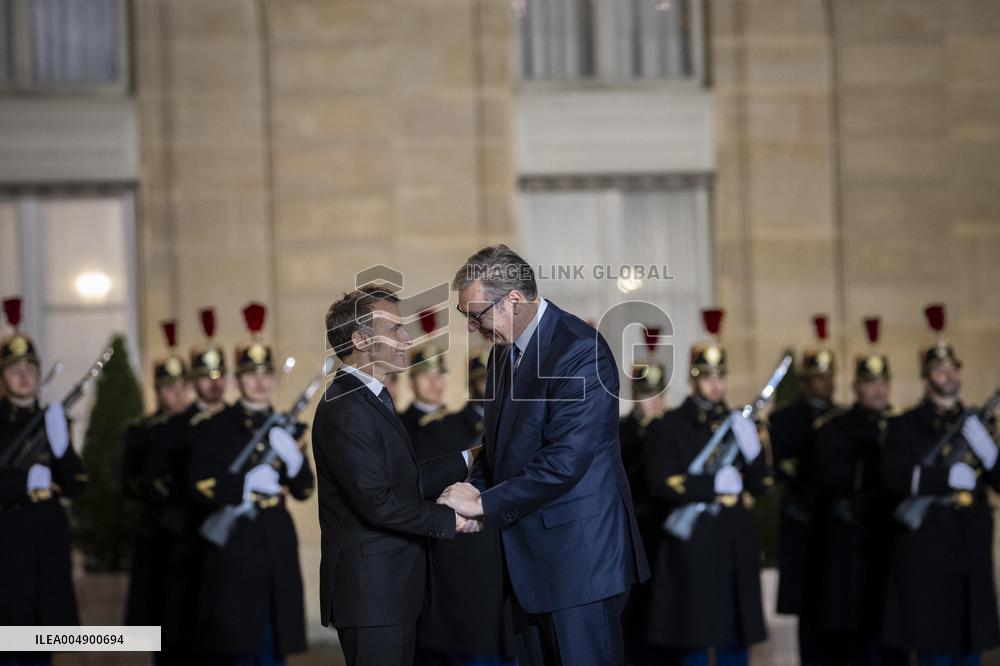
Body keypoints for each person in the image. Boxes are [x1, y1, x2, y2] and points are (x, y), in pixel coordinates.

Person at [439, 244, 649, 666]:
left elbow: (564, 462)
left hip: (580, 563)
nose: (471, 328)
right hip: (529, 561)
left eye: (475, 315)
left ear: (513, 300)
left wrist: (482, 504)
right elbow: (499, 446)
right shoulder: (503, 353)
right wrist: (469, 490)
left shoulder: (578, 350)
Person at [311, 286, 471, 666]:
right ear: (361, 339)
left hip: (388, 589)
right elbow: (377, 502)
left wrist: (471, 458)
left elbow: (404, 480)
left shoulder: (367, 397)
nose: (406, 339)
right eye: (396, 329)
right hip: (372, 593)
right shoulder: (347, 406)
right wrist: (453, 519)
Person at [187, 303, 314, 665]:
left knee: (275, 640)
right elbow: (198, 484)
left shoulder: (285, 426)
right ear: (237, 379)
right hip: (237, 544)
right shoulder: (215, 426)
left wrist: (293, 460)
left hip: (275, 536)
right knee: (239, 643)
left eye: (266, 373)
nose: (260, 381)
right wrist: (241, 485)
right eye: (250, 373)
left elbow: (304, 489)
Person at [643, 308, 768, 666]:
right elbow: (661, 482)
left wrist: (755, 450)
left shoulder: (739, 424)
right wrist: (712, 484)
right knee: (694, 644)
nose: (716, 384)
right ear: (693, 378)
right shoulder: (670, 427)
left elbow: (759, 486)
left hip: (734, 545)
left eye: (720, 376)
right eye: (707, 376)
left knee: (735, 644)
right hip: (693, 549)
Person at [881, 304, 1000, 665]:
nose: (947, 376)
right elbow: (893, 475)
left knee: (970, 650)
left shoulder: (979, 426)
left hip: (971, 552)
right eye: (939, 369)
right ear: (926, 375)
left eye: (951, 369)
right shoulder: (905, 426)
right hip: (929, 554)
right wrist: (943, 478)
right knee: (936, 651)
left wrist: (991, 455)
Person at [400, 344, 515, 666]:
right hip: (461, 545)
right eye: (426, 375)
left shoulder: (505, 423)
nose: (435, 383)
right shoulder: (439, 426)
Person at [0, 296, 86, 666]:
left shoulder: (52, 421)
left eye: (31, 369)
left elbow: (77, 484)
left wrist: (63, 447)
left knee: (40, 651)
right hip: (6, 545)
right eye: (15, 369)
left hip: (46, 544)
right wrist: (22, 484)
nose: (25, 377)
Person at [813, 317, 904, 665]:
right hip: (854, 552)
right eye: (870, 383)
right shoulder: (836, 429)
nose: (879, 390)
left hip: (893, 549)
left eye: (884, 382)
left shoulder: (901, 426)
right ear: (856, 387)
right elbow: (836, 483)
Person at [142, 307, 229, 661]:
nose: (213, 382)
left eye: (219, 374)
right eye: (205, 376)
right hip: (181, 544)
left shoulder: (230, 422)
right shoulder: (173, 428)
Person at [770, 315, 841, 664]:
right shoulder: (785, 419)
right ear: (805, 380)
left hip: (836, 526)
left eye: (829, 376)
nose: (826, 383)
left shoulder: (843, 417)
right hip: (802, 522)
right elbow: (781, 467)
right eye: (818, 377)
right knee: (809, 612)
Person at [122, 320, 192, 642]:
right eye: (169, 387)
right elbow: (129, 481)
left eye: (182, 386)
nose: (177, 394)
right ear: (158, 390)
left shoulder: (202, 426)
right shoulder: (143, 431)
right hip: (157, 535)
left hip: (193, 534)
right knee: (160, 623)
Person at [619, 346, 668, 666]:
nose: (652, 401)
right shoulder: (622, 431)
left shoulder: (670, 430)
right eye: (646, 394)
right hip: (629, 528)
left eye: (657, 394)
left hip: (663, 530)